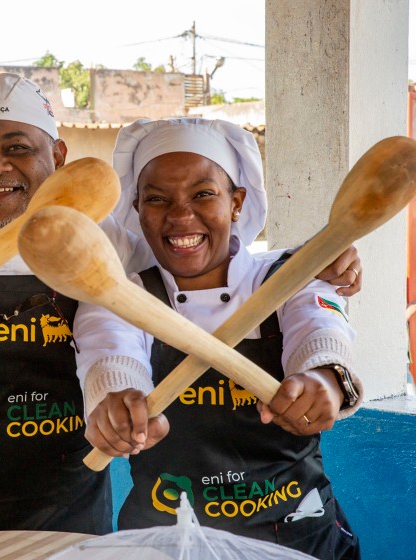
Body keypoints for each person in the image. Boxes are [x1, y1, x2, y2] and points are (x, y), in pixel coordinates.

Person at [0, 73, 363, 534]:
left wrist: (309, 264)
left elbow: (208, 257)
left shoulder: (103, 238)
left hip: (69, 513)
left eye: (17, 148)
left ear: (59, 159)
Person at [75, 117, 362, 558]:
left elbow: (320, 331)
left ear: (236, 202)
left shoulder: (293, 277)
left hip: (300, 538)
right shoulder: (122, 295)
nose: (180, 215)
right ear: (138, 211)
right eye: (157, 199)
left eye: (203, 194)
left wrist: (322, 381)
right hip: (168, 546)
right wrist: (115, 403)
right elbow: (109, 353)